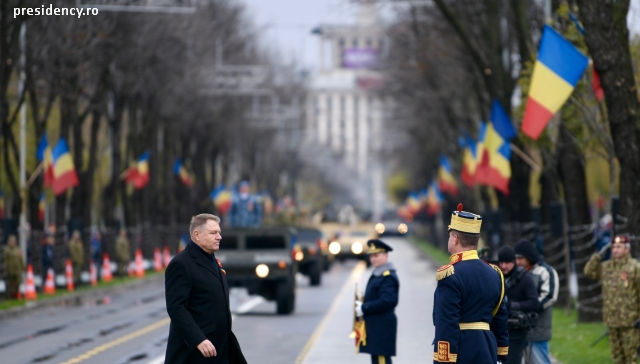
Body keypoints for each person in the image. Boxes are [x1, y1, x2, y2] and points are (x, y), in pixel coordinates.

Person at [164, 213, 246, 364]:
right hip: (196, 353)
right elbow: (176, 308)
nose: (219, 237)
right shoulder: (181, 264)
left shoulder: (212, 259)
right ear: (197, 235)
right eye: (213, 233)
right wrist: (198, 340)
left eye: (219, 232)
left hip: (221, 347)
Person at [432, 204, 509, 364]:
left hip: (461, 350)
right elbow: (500, 319)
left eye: (450, 235)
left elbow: (446, 323)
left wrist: (444, 360)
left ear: (455, 238)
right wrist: (501, 355)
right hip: (488, 349)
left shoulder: (450, 275)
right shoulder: (495, 273)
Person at [584, 235, 640, 364]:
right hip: (612, 319)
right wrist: (598, 256)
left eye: (619, 247)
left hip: (630, 320)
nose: (615, 250)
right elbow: (588, 272)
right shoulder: (607, 267)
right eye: (613, 247)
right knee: (617, 358)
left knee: (630, 357)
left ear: (627, 249)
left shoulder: (635, 267)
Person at [514, 239, 558, 364]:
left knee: (540, 361)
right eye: (515, 258)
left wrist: (527, 306)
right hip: (519, 328)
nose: (517, 262)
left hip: (538, 328)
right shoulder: (518, 272)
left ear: (529, 257)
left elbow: (549, 297)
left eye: (520, 258)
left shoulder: (545, 271)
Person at [355, 239, 399, 364]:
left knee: (381, 360)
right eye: (371, 256)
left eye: (376, 255)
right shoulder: (378, 274)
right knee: (377, 360)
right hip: (377, 327)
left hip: (382, 327)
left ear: (386, 256)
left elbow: (388, 301)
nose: (373, 259)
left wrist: (364, 307)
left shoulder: (387, 276)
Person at [497, 246, 539, 364]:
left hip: (516, 330)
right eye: (501, 262)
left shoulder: (525, 278)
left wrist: (511, 306)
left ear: (514, 261)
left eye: (507, 262)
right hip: (497, 328)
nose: (504, 266)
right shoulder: (496, 275)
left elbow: (534, 303)